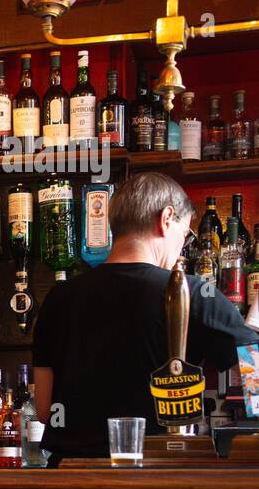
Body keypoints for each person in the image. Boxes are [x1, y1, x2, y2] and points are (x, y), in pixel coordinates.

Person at [33, 171, 258, 464]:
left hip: (71, 477)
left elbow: (43, 408)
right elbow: (256, 383)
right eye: (185, 234)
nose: (183, 246)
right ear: (166, 219)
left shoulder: (58, 298)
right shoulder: (193, 293)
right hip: (156, 480)